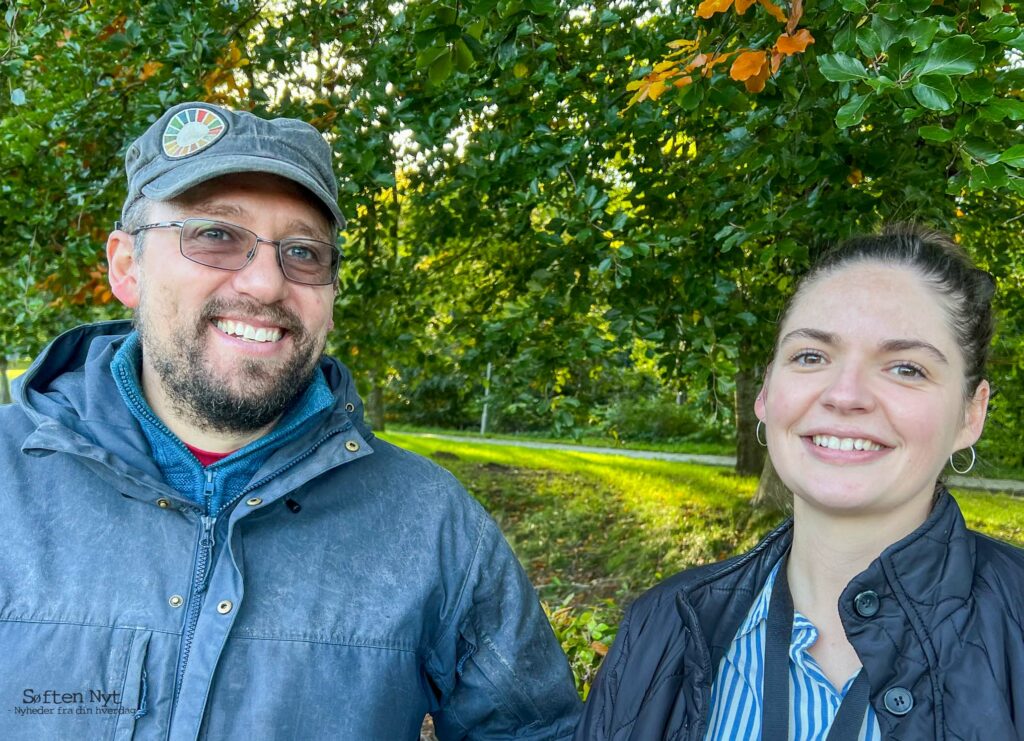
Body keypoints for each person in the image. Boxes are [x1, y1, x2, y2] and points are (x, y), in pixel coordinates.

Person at [0, 101, 580, 740]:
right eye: (216, 235)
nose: (267, 283)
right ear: (126, 266)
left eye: (303, 252)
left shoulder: (432, 525)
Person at [575, 225, 1024, 740]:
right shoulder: (662, 624)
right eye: (810, 356)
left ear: (971, 413)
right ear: (767, 392)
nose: (845, 394)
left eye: (905, 367)